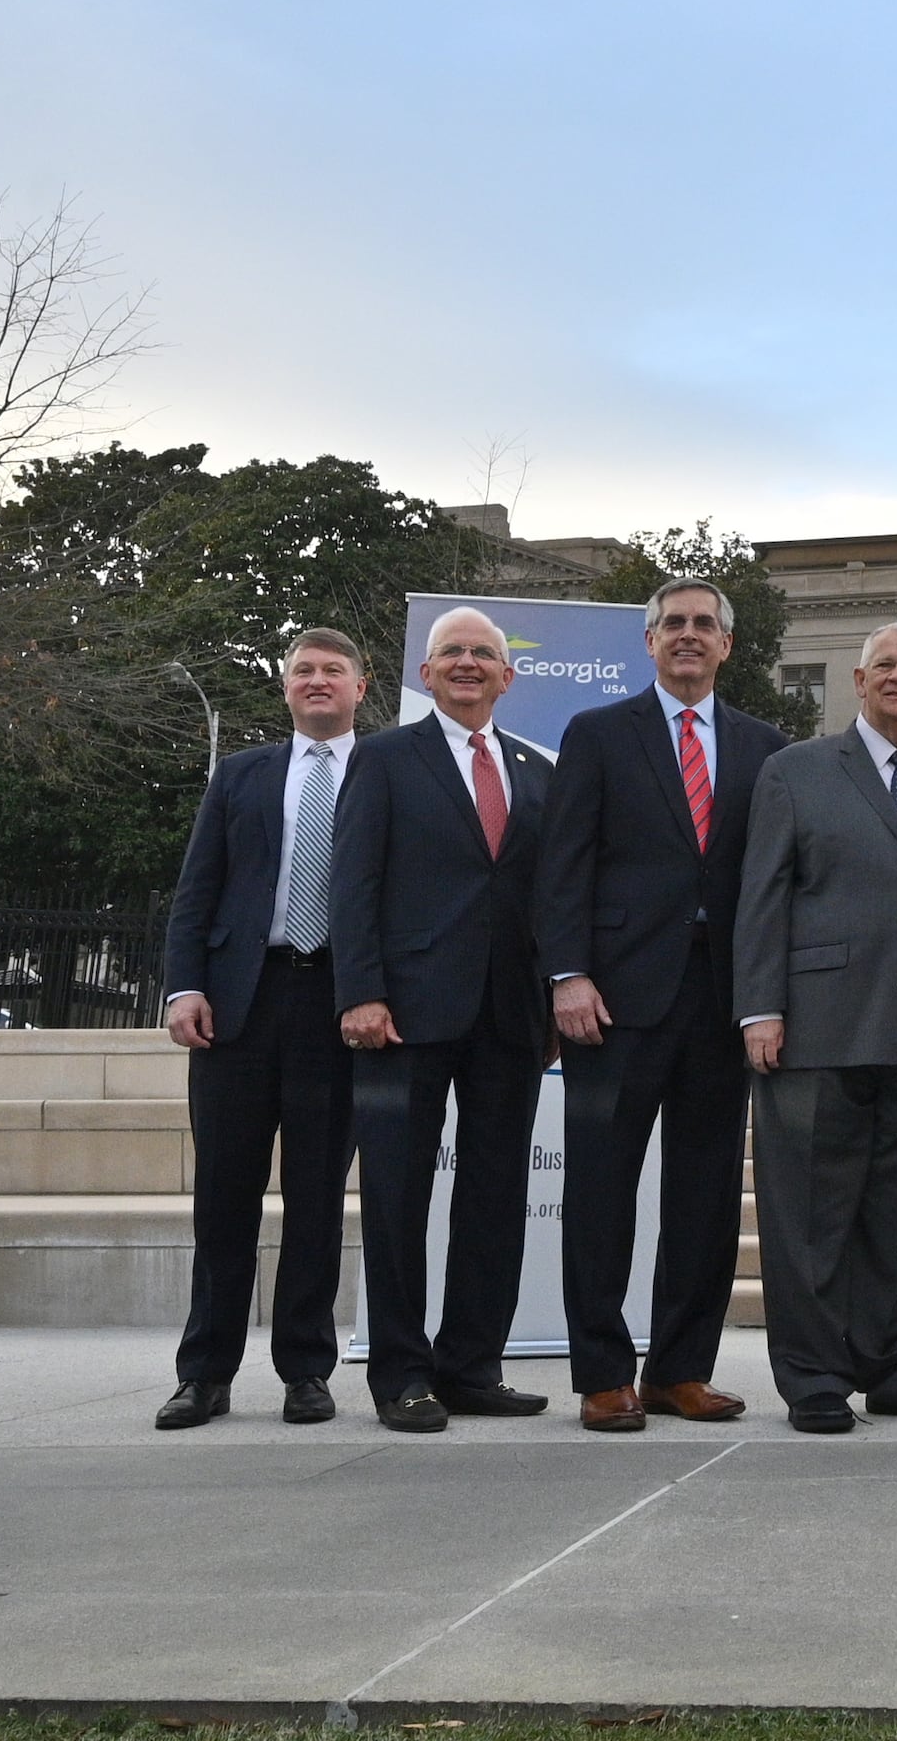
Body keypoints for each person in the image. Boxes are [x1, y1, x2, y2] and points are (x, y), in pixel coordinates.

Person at [532, 576, 784, 1433]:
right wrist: (568, 974)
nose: (687, 635)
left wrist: (767, 998)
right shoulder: (599, 735)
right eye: (672, 623)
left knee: (706, 1198)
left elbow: (773, 880)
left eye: (703, 625)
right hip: (615, 1001)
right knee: (602, 1191)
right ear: (648, 643)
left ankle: (682, 1370)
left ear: (727, 646)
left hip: (722, 1005)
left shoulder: (764, 747)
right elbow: (564, 862)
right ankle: (603, 1373)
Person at [733, 622, 897, 1433]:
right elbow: (763, 895)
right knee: (810, 1211)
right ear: (857, 679)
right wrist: (760, 1006)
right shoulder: (795, 772)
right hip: (819, 1029)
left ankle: (893, 1367)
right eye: (885, 665)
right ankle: (812, 1376)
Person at [331, 606, 555, 1434]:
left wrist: (555, 992)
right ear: (425, 675)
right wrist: (359, 990)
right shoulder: (386, 759)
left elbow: (550, 897)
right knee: (397, 1198)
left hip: (509, 1016)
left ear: (508, 674)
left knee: (496, 1195)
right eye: (451, 653)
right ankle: (401, 1376)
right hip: (403, 1015)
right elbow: (351, 881)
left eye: (483, 654)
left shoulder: (538, 771)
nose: (467, 663)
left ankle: (471, 1367)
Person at [152, 626, 370, 1432]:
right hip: (237, 1009)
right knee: (224, 1198)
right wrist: (184, 988)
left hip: (339, 1009)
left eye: (333, 671)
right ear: (286, 687)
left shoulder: (386, 775)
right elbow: (195, 890)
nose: (318, 682)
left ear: (360, 686)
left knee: (316, 1199)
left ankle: (306, 1373)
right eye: (303, 671)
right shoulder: (240, 776)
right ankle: (204, 1373)